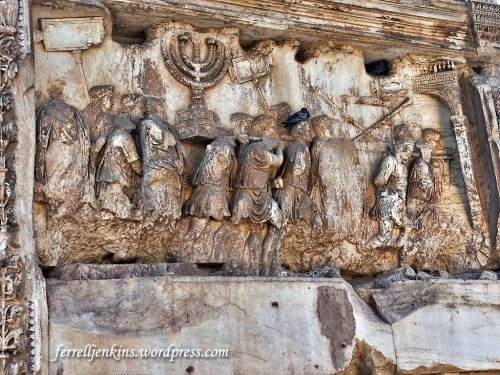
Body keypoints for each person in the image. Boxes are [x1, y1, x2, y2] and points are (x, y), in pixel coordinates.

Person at [35, 98, 93, 213]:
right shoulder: (76, 113)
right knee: (66, 183)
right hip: (73, 153)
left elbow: (42, 142)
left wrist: (39, 168)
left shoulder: (47, 111)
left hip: (56, 151)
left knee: (54, 184)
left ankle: (58, 207)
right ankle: (64, 207)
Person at [184, 136, 238, 239]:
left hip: (204, 187)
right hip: (213, 189)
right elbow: (225, 166)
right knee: (197, 229)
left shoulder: (212, 148)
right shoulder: (224, 149)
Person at [274, 121, 321, 229]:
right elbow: (297, 169)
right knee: (314, 217)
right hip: (294, 191)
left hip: (286, 188)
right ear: (301, 133)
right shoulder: (302, 148)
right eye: (309, 130)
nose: (312, 134)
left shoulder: (292, 146)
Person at [139, 113, 184, 223]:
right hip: (162, 167)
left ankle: (158, 217)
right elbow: (171, 141)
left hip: (155, 168)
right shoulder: (150, 124)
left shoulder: (146, 125)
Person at [95, 116, 142, 219]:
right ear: (128, 126)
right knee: (121, 212)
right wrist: (143, 172)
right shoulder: (124, 137)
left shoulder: (112, 134)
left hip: (106, 176)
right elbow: (134, 161)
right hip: (119, 178)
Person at [370, 138, 414, 246]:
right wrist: (387, 186)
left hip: (398, 202)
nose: (409, 155)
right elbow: (379, 180)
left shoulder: (402, 166)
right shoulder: (390, 161)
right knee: (384, 236)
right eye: (409, 151)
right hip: (388, 201)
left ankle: (398, 245)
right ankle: (366, 248)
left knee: (408, 226)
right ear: (402, 150)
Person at [406, 141, 433, 229]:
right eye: (428, 150)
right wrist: (428, 194)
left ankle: (415, 226)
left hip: (418, 193)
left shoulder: (424, 163)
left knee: (416, 211)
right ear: (422, 152)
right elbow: (424, 182)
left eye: (430, 150)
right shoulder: (421, 164)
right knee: (412, 212)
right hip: (418, 192)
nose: (429, 152)